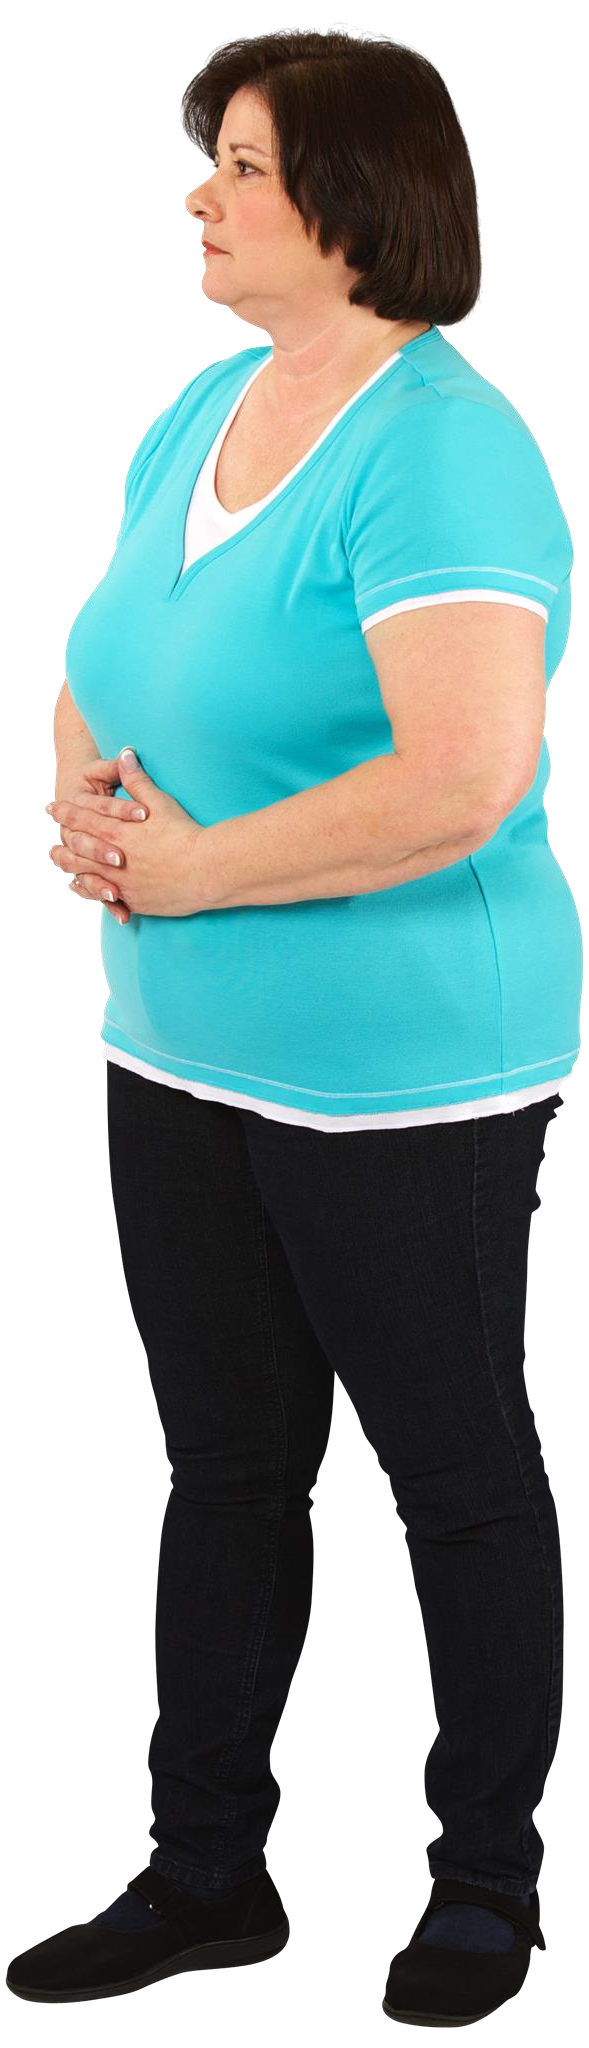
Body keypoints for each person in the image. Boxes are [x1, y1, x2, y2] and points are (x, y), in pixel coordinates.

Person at [10, 30, 578, 2017]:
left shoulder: (447, 451)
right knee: (226, 1464)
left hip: (401, 1070)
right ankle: (205, 1872)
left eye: (240, 167)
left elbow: (462, 778)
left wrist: (192, 874)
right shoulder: (204, 407)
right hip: (176, 1045)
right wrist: (84, 794)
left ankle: (484, 1885)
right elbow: (103, 654)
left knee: (452, 1467)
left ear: (352, 198)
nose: (200, 198)